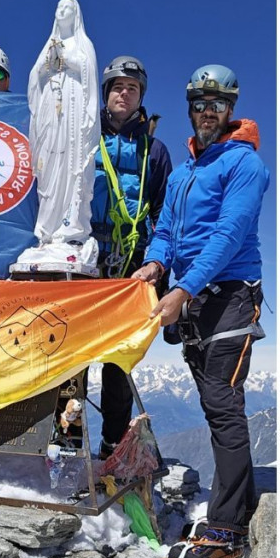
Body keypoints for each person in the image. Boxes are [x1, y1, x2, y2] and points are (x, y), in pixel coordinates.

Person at [133, 64, 269, 558]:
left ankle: (228, 531)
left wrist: (183, 288)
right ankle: (242, 508)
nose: (206, 112)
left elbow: (230, 233)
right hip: (193, 299)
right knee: (215, 403)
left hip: (231, 292)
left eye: (216, 103)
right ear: (190, 108)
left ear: (230, 109)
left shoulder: (244, 165)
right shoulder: (186, 170)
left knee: (221, 401)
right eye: (198, 103)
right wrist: (153, 265)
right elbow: (166, 229)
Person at [90, 56, 172, 458]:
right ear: (105, 94)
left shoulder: (154, 152)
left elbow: (165, 215)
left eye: (132, 88)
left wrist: (158, 264)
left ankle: (111, 445)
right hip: (84, 260)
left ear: (141, 97)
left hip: (131, 266)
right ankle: (61, 437)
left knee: (119, 362)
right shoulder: (83, 138)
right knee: (63, 351)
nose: (124, 93)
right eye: (117, 86)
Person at [18, 0, 99, 267]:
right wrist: (46, 65)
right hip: (51, 117)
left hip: (73, 118)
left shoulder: (83, 44)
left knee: (71, 170)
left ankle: (70, 227)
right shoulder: (47, 46)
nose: (62, 11)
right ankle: (47, 230)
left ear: (75, 15)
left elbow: (89, 73)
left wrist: (66, 58)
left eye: (68, 8)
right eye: (59, 7)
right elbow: (34, 78)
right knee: (49, 170)